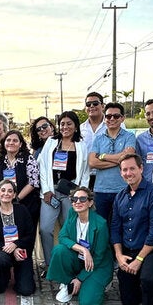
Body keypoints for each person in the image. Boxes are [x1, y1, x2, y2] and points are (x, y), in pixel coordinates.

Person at [111, 154, 153, 305]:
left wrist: (139, 260)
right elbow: (115, 228)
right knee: (129, 301)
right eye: (124, 170)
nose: (128, 173)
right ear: (120, 173)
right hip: (129, 250)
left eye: (132, 168)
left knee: (148, 279)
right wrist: (119, 255)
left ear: (141, 169)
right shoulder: (120, 196)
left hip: (152, 249)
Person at [46, 187, 112, 305]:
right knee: (59, 250)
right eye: (74, 199)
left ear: (90, 202)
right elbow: (62, 237)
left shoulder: (100, 224)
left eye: (82, 199)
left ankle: (97, 283)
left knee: (88, 303)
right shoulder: (72, 214)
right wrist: (83, 249)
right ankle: (68, 283)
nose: (78, 202)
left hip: (97, 264)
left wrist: (80, 279)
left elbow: (98, 257)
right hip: (81, 258)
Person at [38, 111, 90, 268]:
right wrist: (46, 190)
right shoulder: (51, 142)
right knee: (45, 229)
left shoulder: (81, 145)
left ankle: (70, 263)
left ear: (75, 126)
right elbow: (43, 167)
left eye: (69, 124)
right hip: (51, 192)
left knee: (71, 230)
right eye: (62, 124)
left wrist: (81, 194)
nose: (65, 127)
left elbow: (85, 171)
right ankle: (50, 264)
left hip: (71, 193)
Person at [88, 102, 137, 221]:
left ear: (122, 118)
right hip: (100, 190)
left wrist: (103, 156)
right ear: (105, 119)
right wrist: (120, 160)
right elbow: (92, 163)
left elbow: (129, 157)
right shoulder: (98, 139)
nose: (112, 119)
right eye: (108, 116)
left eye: (116, 116)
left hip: (123, 188)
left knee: (122, 224)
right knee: (101, 226)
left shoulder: (129, 136)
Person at [0, 179, 36, 295]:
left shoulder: (22, 210)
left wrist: (16, 245)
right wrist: (11, 249)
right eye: (3, 190)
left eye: (10, 191)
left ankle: (22, 273)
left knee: (26, 290)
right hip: (3, 251)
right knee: (0, 259)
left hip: (22, 251)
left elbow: (30, 234)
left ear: (14, 195)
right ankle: (5, 274)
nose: (6, 194)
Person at [0, 129, 41, 226]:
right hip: (2, 203)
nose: (11, 143)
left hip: (25, 203)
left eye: (15, 141)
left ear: (20, 144)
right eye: (8, 140)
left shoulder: (28, 159)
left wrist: (15, 198)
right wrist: (1, 196)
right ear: (4, 143)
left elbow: (33, 182)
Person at [80, 92, 114, 190]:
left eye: (95, 103)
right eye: (88, 104)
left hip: (108, 175)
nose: (91, 106)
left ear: (103, 106)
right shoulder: (80, 129)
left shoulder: (114, 124)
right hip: (86, 177)